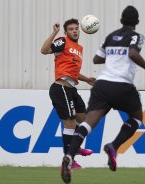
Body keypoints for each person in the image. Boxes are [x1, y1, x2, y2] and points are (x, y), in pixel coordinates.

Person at [60, 6, 145, 183]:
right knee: (136, 118)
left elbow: (97, 59)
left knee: (88, 123)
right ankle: (114, 146)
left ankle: (69, 155)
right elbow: (133, 53)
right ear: (136, 22)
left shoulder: (110, 37)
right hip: (123, 86)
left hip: (102, 85)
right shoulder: (136, 36)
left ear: (121, 20)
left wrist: (114, 57)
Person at [40, 18, 95, 170]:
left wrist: (88, 79)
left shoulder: (80, 48)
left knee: (84, 120)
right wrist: (55, 32)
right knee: (70, 124)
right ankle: (69, 160)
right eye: (71, 29)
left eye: (76, 28)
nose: (75, 30)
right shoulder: (62, 41)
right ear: (66, 32)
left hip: (71, 89)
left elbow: (73, 72)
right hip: (61, 88)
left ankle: (74, 148)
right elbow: (44, 50)